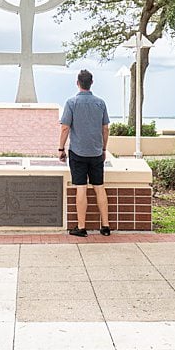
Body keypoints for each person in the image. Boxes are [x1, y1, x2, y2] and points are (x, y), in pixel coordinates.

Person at [58, 69, 111, 237]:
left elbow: (65, 127)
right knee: (99, 188)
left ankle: (81, 227)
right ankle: (105, 226)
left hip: (78, 153)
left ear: (77, 83)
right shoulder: (100, 103)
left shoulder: (71, 103)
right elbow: (105, 128)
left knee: (81, 188)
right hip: (96, 153)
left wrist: (61, 148)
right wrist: (103, 149)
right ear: (91, 83)